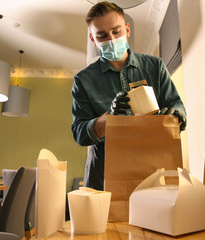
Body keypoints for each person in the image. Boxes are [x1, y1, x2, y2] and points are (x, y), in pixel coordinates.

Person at [71, 1, 187, 190]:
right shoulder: (83, 81)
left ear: (127, 30)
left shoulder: (155, 67)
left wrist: (177, 113)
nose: (111, 39)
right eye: (102, 35)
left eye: (116, 32)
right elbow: (79, 133)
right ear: (93, 39)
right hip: (104, 173)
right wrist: (108, 119)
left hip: (153, 166)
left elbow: (176, 104)